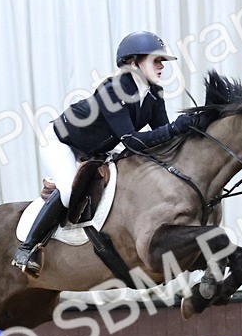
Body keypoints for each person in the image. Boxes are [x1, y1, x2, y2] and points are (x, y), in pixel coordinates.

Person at [11, 30, 203, 276]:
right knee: (70, 190)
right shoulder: (112, 90)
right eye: (156, 61)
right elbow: (132, 141)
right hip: (61, 142)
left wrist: (193, 128)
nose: (161, 67)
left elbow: (162, 139)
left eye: (162, 62)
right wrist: (176, 127)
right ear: (134, 64)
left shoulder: (155, 94)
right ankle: (27, 249)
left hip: (100, 148)